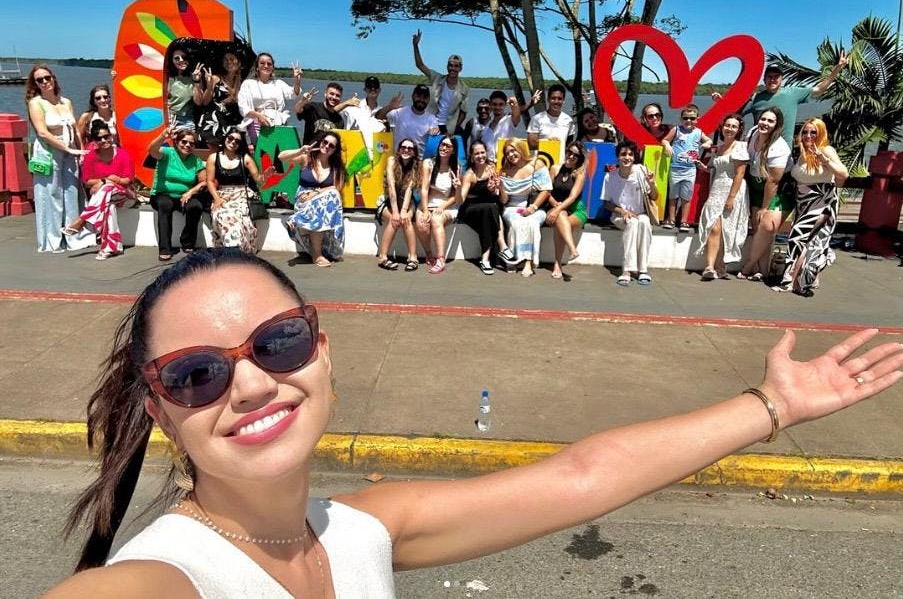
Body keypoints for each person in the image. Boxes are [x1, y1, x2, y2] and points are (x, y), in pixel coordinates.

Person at [49, 249, 902, 597]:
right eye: (197, 373)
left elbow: (579, 478)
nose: (249, 384)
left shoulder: (357, 529)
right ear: (158, 407)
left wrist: (775, 406)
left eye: (276, 342)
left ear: (321, 349)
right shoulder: (166, 577)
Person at [773, 118, 848, 297]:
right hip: (803, 203)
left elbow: (843, 174)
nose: (808, 135)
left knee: (798, 236)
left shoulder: (826, 150)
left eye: (813, 132)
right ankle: (801, 280)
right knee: (806, 241)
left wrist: (825, 161)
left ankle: (792, 281)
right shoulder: (802, 152)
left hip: (823, 202)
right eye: (805, 132)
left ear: (821, 133)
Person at [712, 56, 848, 145]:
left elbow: (819, 89)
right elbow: (733, 115)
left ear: (781, 79)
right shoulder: (755, 98)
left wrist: (837, 69)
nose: (773, 79)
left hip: (784, 151)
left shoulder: (793, 93)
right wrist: (721, 101)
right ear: (764, 80)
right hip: (759, 150)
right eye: (769, 77)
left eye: (776, 77)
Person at [25, 64, 90, 253]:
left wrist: (81, 150)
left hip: (70, 152)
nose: (45, 82)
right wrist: (68, 150)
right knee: (50, 195)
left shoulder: (65, 102)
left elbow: (76, 129)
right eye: (40, 80)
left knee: (71, 192)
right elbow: (43, 133)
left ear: (54, 78)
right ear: (35, 84)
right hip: (48, 152)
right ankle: (52, 240)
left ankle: (72, 236)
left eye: (47, 77)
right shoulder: (36, 103)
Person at [62, 121, 135, 260]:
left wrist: (107, 182)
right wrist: (107, 180)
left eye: (106, 136)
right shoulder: (91, 156)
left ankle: (82, 220)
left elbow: (127, 180)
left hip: (125, 196)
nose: (104, 140)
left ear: (111, 136)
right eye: (99, 138)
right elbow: (87, 181)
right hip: (105, 198)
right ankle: (111, 248)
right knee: (108, 206)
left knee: (106, 188)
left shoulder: (122, 154)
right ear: (94, 141)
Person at [738, 108, 792, 282]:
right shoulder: (753, 133)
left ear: (777, 125)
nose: (765, 123)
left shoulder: (779, 147)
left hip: (778, 189)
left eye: (770, 121)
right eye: (763, 119)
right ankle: (761, 270)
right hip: (755, 185)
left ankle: (748, 266)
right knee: (758, 229)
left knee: (767, 225)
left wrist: (765, 207)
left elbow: (773, 181)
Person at [279, 131, 347, 267]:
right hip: (304, 200)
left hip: (321, 203)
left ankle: (297, 219)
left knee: (331, 196)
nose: (327, 146)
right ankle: (317, 256)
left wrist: (316, 192)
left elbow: (335, 189)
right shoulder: (307, 158)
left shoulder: (336, 168)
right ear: (320, 142)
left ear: (335, 150)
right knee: (323, 203)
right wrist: (300, 150)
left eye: (332, 145)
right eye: (325, 142)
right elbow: (281, 157)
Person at [694, 114, 750, 280]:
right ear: (722, 127)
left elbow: (740, 173)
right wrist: (703, 167)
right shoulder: (719, 147)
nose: (730, 129)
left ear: (739, 130)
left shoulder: (740, 146)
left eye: (734, 126)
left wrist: (731, 197)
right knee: (714, 226)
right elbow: (714, 168)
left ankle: (718, 266)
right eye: (727, 125)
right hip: (717, 189)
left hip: (733, 190)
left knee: (727, 228)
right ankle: (711, 266)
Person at [602, 141, 659, 286]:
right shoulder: (610, 177)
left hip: (640, 213)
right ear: (618, 157)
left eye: (630, 154)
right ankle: (627, 270)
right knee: (632, 223)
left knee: (644, 222)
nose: (627, 157)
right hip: (620, 215)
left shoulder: (641, 172)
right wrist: (623, 211)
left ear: (634, 157)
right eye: (623, 154)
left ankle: (643, 270)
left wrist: (651, 183)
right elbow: (606, 203)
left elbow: (654, 197)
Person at [147, 128, 208, 262]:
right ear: (176, 142)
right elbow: (152, 149)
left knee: (196, 206)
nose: (187, 145)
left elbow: (204, 181)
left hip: (184, 196)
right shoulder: (167, 153)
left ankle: (187, 242)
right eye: (184, 142)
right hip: (162, 194)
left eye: (191, 143)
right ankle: (165, 249)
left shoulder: (195, 160)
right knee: (165, 204)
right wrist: (163, 136)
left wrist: (190, 191)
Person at [206, 130, 269, 254]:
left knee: (239, 221)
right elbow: (210, 181)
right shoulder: (214, 157)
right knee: (221, 216)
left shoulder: (245, 158)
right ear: (225, 138)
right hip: (222, 195)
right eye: (230, 138)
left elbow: (259, 181)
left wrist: (266, 176)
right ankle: (231, 251)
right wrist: (217, 198)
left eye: (237, 141)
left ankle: (235, 252)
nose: (233, 142)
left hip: (241, 196)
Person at [499, 138, 552, 278]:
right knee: (516, 223)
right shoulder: (505, 171)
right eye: (507, 153)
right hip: (512, 207)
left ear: (521, 149)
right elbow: (504, 200)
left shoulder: (537, 164)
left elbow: (546, 190)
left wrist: (533, 208)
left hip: (535, 206)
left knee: (532, 223)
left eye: (513, 150)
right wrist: (501, 186)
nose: (511, 155)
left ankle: (528, 262)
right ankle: (513, 260)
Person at [457, 141, 511, 275]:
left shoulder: (492, 169)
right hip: (470, 210)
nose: (480, 156)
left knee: (491, 210)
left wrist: (499, 187)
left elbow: (503, 200)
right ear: (471, 156)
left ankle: (485, 259)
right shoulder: (470, 175)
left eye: (482, 152)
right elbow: (460, 200)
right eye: (476, 153)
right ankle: (502, 246)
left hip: (489, 210)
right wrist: (458, 187)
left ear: (486, 153)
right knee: (491, 208)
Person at [660, 105, 713, 231]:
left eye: (692, 118)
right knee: (673, 196)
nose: (688, 121)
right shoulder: (676, 130)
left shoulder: (698, 132)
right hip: (675, 168)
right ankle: (671, 218)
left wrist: (706, 143)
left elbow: (709, 140)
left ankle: (684, 221)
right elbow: (665, 140)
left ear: (697, 119)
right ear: (681, 119)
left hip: (690, 169)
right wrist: (667, 145)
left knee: (686, 196)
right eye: (685, 118)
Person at [416, 135, 461, 275]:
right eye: (442, 145)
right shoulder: (428, 163)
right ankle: (429, 254)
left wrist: (443, 206)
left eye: (448, 146)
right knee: (422, 224)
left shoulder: (456, 168)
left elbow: (456, 198)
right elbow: (424, 189)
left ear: (453, 150)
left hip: (446, 204)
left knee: (436, 219)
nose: (444, 148)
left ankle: (441, 259)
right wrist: (424, 210)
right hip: (427, 202)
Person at [375, 139, 421, 272]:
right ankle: (383, 257)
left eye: (410, 148)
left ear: (414, 152)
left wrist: (404, 210)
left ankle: (413, 257)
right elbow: (391, 186)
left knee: (406, 219)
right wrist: (395, 211)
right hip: (388, 199)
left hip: (407, 201)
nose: (406, 150)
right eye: (403, 147)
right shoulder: (391, 161)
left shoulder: (415, 166)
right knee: (393, 220)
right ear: (399, 149)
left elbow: (408, 190)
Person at [412, 29, 469, 134]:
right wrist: (415, 45)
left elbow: (463, 112)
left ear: (460, 68)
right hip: (429, 124)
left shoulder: (464, 89)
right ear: (447, 66)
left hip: (448, 128)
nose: (453, 68)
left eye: (456, 66)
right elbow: (420, 65)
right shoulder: (436, 78)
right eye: (450, 65)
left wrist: (454, 128)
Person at [237, 53, 302, 143]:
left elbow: (294, 93)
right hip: (256, 121)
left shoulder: (278, 83)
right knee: (261, 152)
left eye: (269, 64)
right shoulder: (248, 84)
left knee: (276, 153)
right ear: (257, 67)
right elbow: (242, 106)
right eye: (262, 63)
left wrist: (297, 81)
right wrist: (258, 116)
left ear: (273, 68)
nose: (266, 66)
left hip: (277, 121)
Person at [546, 142, 587, 279]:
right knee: (561, 217)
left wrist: (558, 209)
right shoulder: (555, 169)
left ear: (579, 159)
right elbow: (547, 191)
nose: (571, 156)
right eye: (569, 152)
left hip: (576, 210)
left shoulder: (579, 174)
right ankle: (572, 249)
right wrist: (556, 207)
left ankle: (558, 264)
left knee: (560, 221)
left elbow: (572, 197)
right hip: (555, 207)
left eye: (575, 155)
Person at [460, 91, 525, 162]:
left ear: (505, 105)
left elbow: (516, 115)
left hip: (505, 163)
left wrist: (515, 104)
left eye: (501, 104)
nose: (497, 107)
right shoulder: (487, 127)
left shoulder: (509, 120)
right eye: (494, 104)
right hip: (488, 165)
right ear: (490, 105)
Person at [377, 85, 440, 157]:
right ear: (413, 96)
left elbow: (436, 132)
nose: (421, 100)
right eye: (418, 96)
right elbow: (378, 116)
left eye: (425, 97)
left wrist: (435, 130)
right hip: (398, 158)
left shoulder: (432, 119)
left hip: (418, 161)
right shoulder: (400, 112)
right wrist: (389, 107)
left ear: (428, 99)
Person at [197, 51, 243, 146]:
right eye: (225, 60)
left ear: (238, 63)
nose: (228, 62)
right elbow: (205, 102)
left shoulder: (242, 83)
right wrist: (209, 85)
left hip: (231, 126)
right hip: (213, 123)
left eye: (231, 59)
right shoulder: (215, 78)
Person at [294, 82, 358, 144]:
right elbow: (297, 110)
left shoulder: (339, 120)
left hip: (326, 153)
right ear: (325, 93)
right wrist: (302, 101)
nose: (334, 97)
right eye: (331, 94)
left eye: (337, 95)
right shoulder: (313, 108)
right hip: (309, 152)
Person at [526, 84, 575, 153]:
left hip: (560, 162)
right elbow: (531, 144)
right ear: (548, 100)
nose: (556, 101)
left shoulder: (568, 120)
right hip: (541, 161)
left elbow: (569, 145)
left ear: (563, 100)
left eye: (559, 99)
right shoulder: (537, 119)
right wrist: (549, 143)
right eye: (553, 98)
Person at [166, 48, 203, 130]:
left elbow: (198, 102)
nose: (181, 60)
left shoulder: (194, 76)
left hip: (186, 120)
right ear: (171, 61)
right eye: (177, 58)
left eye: (184, 57)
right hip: (169, 118)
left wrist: (196, 81)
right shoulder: (167, 77)